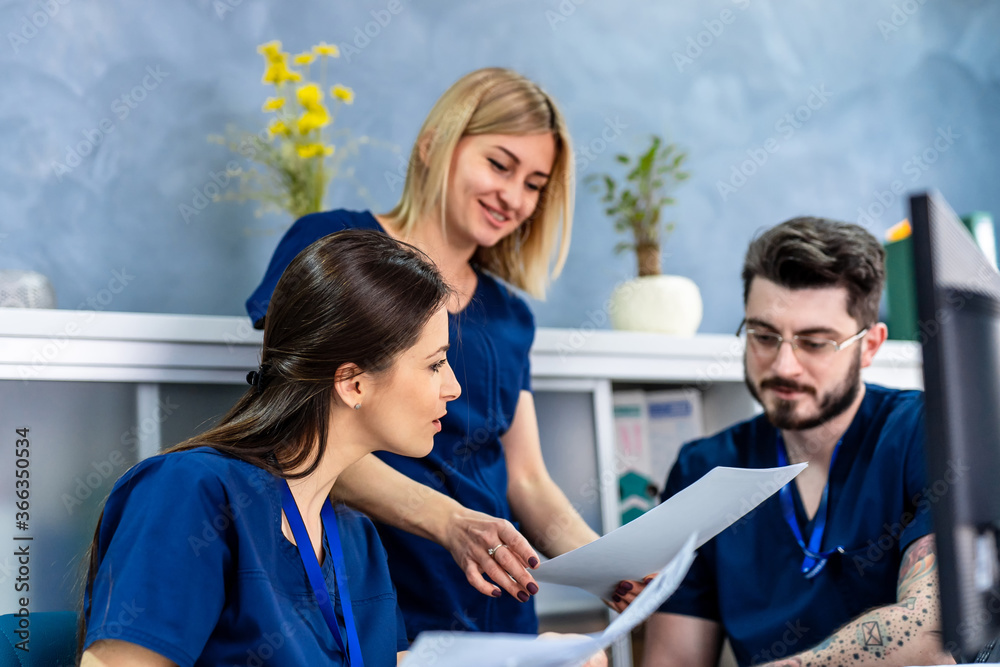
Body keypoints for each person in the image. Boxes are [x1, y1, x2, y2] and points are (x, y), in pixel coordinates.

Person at [245, 67, 642, 640]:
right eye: (499, 165)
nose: (514, 197)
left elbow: (527, 481)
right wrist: (450, 523)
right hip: (373, 599)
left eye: (534, 183)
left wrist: (610, 569)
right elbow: (292, 427)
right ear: (434, 146)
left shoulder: (510, 317)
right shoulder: (334, 249)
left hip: (497, 600)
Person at [79, 230, 458, 665]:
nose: (453, 388)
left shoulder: (358, 542)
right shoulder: (191, 493)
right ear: (354, 383)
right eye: (435, 364)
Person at [641, 217, 956, 667]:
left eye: (815, 342)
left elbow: (929, 631)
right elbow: (674, 660)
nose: (784, 366)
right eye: (764, 336)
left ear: (870, 346)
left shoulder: (923, 433)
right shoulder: (702, 468)